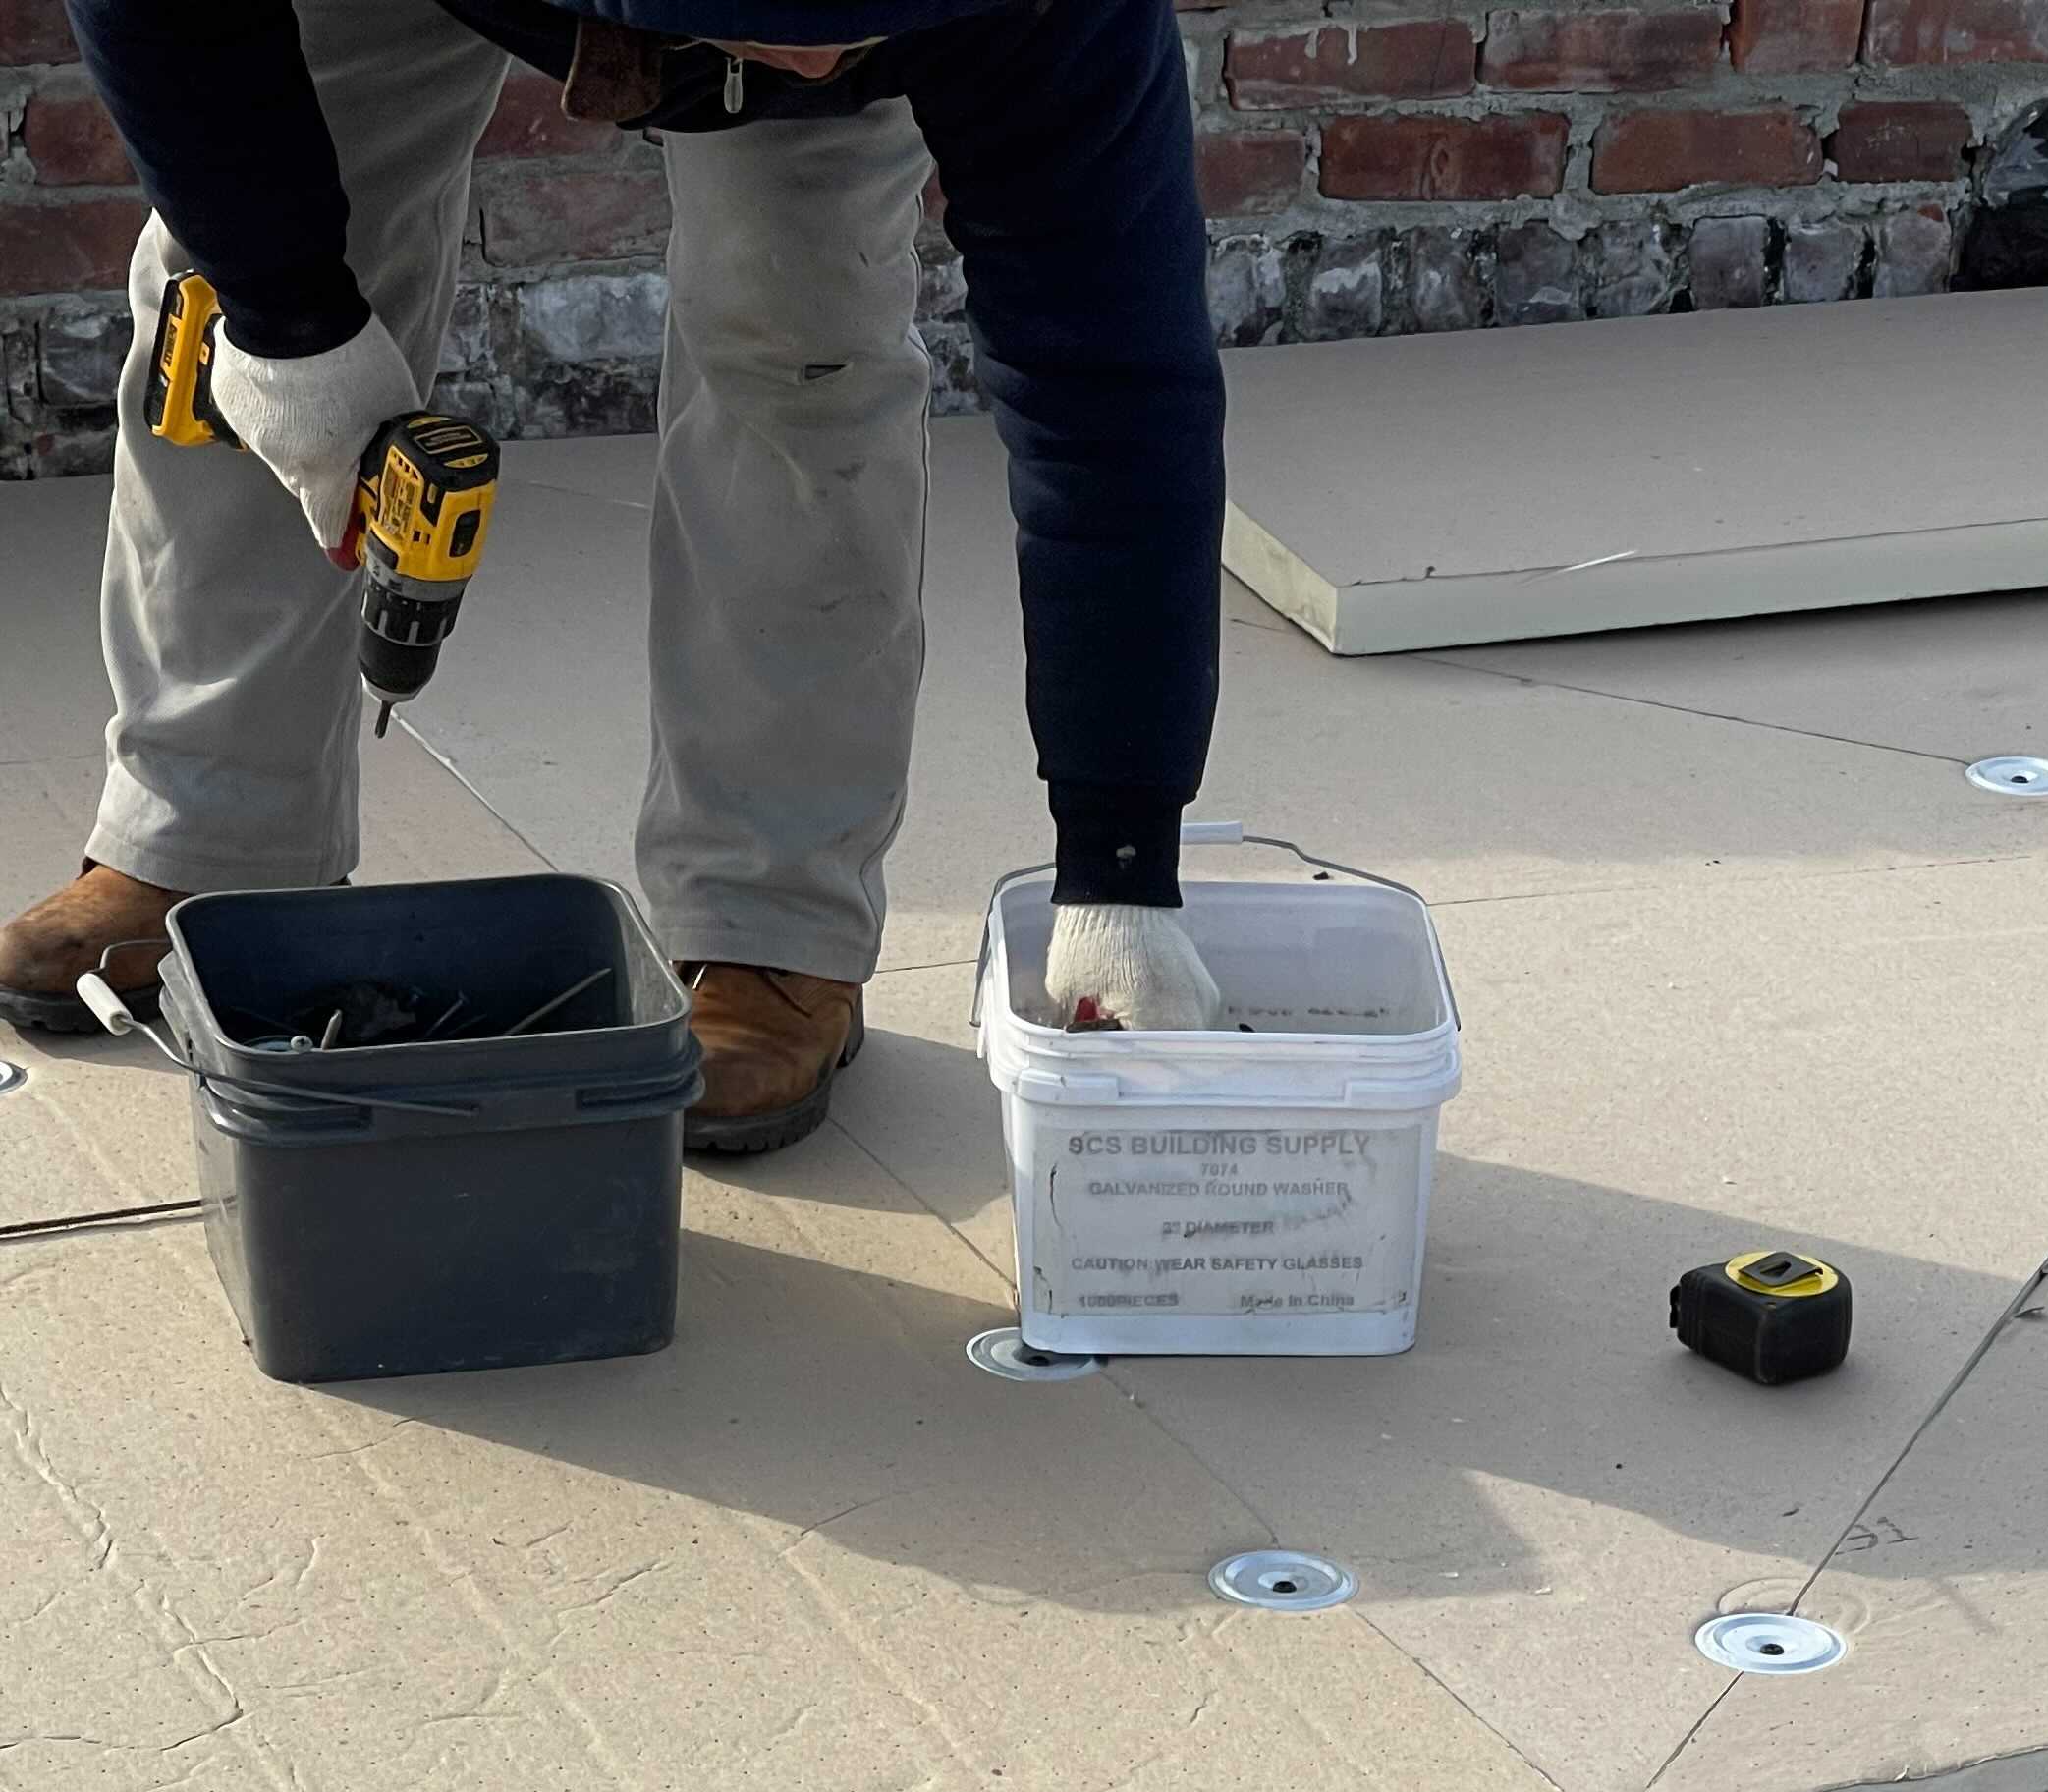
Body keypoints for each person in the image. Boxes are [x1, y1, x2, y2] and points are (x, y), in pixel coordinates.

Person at [5, 0, 1229, 1154]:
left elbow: (1115, 401)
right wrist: (287, 327)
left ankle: (769, 924)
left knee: (803, 335)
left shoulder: (1052, 21)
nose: (812, 61)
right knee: (232, 265)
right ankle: (204, 828)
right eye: (785, 23)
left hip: (927, 31)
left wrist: (1119, 873)